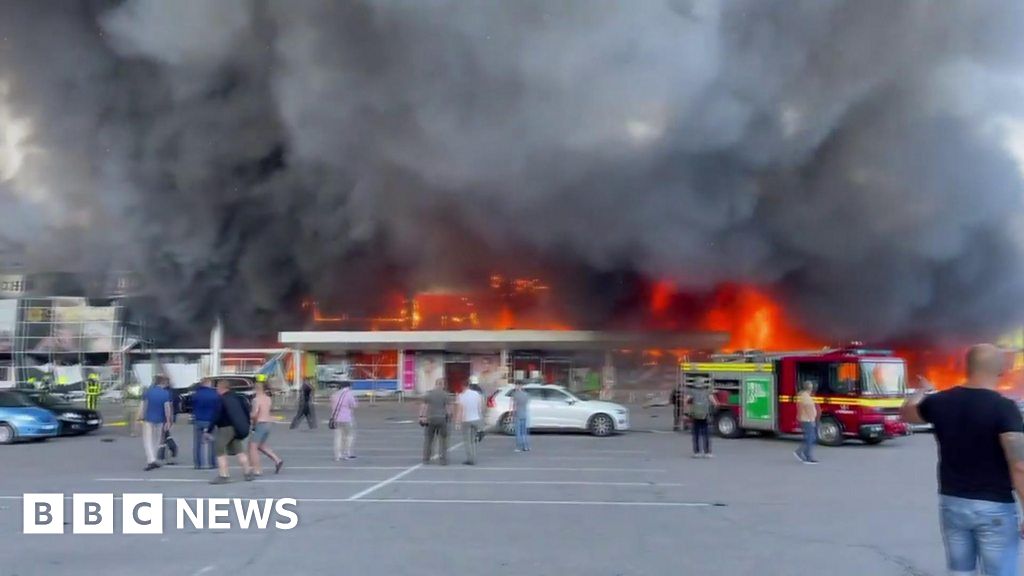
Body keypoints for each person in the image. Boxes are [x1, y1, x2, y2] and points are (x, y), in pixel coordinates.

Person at [902, 344, 1024, 576]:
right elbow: (1019, 464)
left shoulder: (940, 402)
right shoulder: (1004, 408)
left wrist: (921, 391)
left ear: (966, 367)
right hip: (994, 508)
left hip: (952, 503)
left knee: (960, 572)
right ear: (1000, 370)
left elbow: (907, 413)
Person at [206, 379, 254, 484]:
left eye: (217, 388)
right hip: (238, 428)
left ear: (221, 388)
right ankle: (248, 472)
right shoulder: (239, 397)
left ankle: (224, 475)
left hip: (225, 428)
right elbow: (246, 411)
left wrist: (209, 430)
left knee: (219, 451)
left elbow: (216, 416)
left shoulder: (222, 400)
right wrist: (247, 425)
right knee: (239, 451)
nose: (216, 390)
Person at [137, 377, 172, 471]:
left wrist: (140, 416)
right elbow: (167, 408)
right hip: (160, 420)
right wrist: (168, 421)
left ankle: (151, 459)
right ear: (163, 383)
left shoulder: (148, 392)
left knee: (148, 440)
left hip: (148, 419)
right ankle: (154, 458)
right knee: (157, 439)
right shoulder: (165, 394)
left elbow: (143, 405)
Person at [249, 380, 283, 475]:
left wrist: (248, 416)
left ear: (257, 389)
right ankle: (277, 460)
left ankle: (257, 469)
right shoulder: (268, 399)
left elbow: (255, 414)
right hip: (268, 423)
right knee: (261, 445)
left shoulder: (256, 400)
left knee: (253, 447)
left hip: (260, 424)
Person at [191, 379, 221, 470]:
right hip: (211, 421)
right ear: (209, 384)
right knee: (213, 442)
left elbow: (191, 406)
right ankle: (213, 463)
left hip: (198, 420)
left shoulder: (196, 394)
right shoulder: (215, 394)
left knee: (197, 443)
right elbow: (218, 408)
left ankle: (198, 464)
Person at [420, 378, 450, 465]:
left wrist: (422, 417)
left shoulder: (429, 394)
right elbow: (448, 408)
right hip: (442, 419)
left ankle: (426, 458)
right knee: (443, 440)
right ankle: (443, 459)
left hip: (430, 419)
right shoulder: (446, 395)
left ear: (436, 384)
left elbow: (424, 406)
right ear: (442, 385)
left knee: (429, 439)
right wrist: (450, 416)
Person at [455, 378, 484, 465]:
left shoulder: (461, 396)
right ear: (469, 385)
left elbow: (460, 410)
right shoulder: (476, 394)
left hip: (466, 420)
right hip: (476, 419)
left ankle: (470, 459)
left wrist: (457, 422)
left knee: (467, 441)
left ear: (462, 386)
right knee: (473, 440)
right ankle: (474, 456)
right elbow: (480, 407)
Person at [687, 379, 717, 458]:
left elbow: (686, 401)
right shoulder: (707, 392)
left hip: (695, 416)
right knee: (706, 434)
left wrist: (688, 411)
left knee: (696, 434)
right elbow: (714, 402)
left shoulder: (692, 392)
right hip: (704, 416)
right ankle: (707, 452)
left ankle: (697, 452)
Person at [329, 381, 358, 461]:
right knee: (349, 436)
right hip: (346, 418)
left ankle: (337, 456)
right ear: (349, 386)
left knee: (338, 437)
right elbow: (354, 405)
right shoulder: (349, 394)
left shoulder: (335, 394)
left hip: (336, 418)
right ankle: (346, 453)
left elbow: (332, 405)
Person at [794, 380, 819, 464]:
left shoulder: (803, 395)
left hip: (805, 419)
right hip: (808, 420)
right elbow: (809, 410)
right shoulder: (806, 397)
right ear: (810, 388)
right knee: (810, 438)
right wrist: (812, 420)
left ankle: (800, 452)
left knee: (809, 437)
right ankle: (807, 456)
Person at [511, 381, 530, 452]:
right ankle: (526, 447)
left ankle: (518, 447)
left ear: (518, 386)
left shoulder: (515, 394)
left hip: (518, 414)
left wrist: (513, 414)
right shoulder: (526, 394)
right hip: (524, 414)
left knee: (518, 432)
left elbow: (514, 405)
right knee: (524, 432)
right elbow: (527, 403)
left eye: (516, 385)